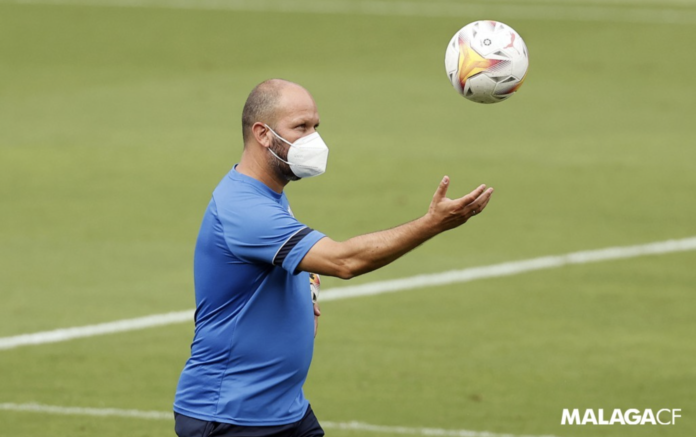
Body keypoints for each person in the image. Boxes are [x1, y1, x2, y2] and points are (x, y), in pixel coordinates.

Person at [173, 79, 494, 437]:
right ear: (263, 134)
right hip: (230, 417)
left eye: (316, 127)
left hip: (284, 410)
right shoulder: (244, 209)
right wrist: (431, 224)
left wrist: (306, 289)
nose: (314, 140)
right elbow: (345, 261)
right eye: (301, 127)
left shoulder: (268, 195)